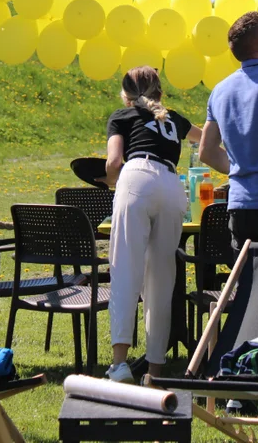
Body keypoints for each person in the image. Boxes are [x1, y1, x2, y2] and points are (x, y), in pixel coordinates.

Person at [103, 66, 202, 383]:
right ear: (160, 92)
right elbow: (207, 138)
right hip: (173, 186)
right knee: (162, 280)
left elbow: (114, 163)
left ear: (127, 95)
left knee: (125, 269)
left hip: (137, 176)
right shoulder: (174, 118)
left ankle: (120, 364)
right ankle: (155, 370)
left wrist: (107, 181)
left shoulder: (122, 116)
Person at [199, 11, 258, 252]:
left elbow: (206, 152)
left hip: (241, 205)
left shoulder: (220, 90)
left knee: (248, 283)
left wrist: (244, 170)